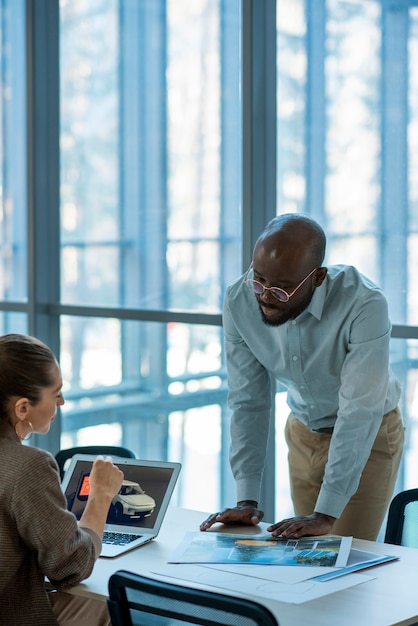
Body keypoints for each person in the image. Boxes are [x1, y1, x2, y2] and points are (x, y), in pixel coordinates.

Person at [200, 214, 404, 541]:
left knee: (343, 555)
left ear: (318, 277)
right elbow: (247, 400)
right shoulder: (239, 299)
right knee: (305, 555)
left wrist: (326, 513)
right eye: (259, 279)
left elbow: (358, 410)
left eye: (282, 289)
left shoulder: (364, 303)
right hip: (302, 433)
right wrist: (247, 498)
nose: (265, 295)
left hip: (369, 434)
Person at [0, 333, 124, 626]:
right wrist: (101, 497)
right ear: (22, 408)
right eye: (55, 393)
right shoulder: (28, 465)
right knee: (102, 604)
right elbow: (71, 566)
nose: (62, 401)